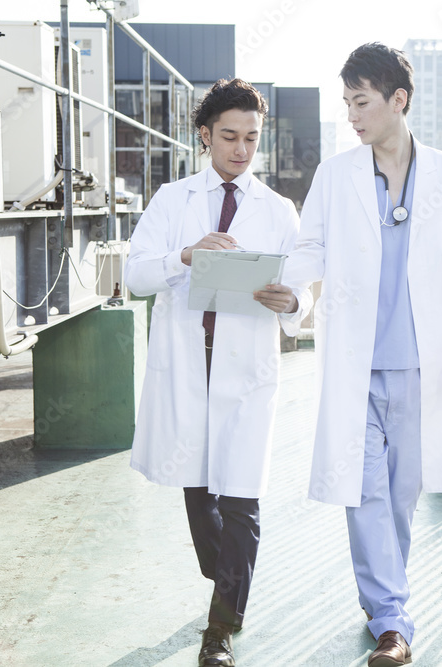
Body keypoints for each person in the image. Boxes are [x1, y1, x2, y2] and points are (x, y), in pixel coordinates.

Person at [259, 43, 442, 667]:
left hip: (425, 366)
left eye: (361, 102)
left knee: (401, 497)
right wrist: (289, 291)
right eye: (346, 103)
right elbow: (309, 247)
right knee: (365, 493)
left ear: (398, 100)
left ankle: (387, 605)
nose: (352, 116)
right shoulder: (337, 176)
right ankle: (392, 621)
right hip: (356, 365)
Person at [125, 78, 310, 667]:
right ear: (204, 135)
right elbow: (134, 277)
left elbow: (305, 295)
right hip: (187, 367)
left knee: (242, 501)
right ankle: (225, 576)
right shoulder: (172, 201)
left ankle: (221, 631)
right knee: (200, 492)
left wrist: (294, 305)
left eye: (251, 138)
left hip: (247, 373)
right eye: (229, 136)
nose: (240, 149)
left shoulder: (278, 210)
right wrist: (185, 256)